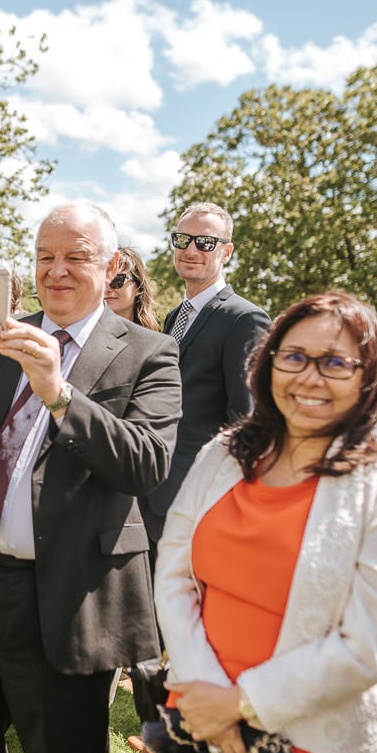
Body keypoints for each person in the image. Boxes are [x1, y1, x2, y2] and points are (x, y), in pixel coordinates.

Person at [0, 201, 181, 753]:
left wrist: (60, 394)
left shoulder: (151, 352)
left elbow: (145, 464)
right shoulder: (2, 336)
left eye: (76, 257)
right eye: (45, 256)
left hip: (68, 594)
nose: (57, 270)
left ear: (112, 265)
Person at [149, 291, 377, 753]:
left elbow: (376, 643)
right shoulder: (223, 455)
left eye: (335, 363)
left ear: (368, 378)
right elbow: (173, 573)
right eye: (295, 356)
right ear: (268, 363)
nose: (309, 376)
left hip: (317, 748)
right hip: (197, 718)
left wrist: (239, 704)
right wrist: (209, 701)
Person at [140, 202, 269, 555]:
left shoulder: (245, 319)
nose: (190, 250)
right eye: (182, 239)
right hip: (151, 492)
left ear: (226, 252)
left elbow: (247, 419)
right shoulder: (174, 317)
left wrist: (220, 499)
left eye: (204, 242)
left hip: (198, 499)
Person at [106, 247, 160, 331]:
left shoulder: (157, 341)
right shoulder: (82, 337)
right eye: (102, 281)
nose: (107, 289)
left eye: (117, 280)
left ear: (138, 286)